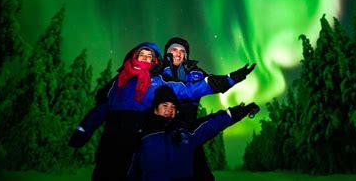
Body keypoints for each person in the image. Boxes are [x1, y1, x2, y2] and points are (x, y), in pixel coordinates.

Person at [69, 41, 256, 181]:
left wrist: (230, 79)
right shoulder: (118, 82)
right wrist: (83, 130)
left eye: (150, 56)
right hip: (111, 139)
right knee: (103, 173)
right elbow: (102, 109)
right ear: (134, 56)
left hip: (138, 137)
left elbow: (191, 89)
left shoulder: (157, 81)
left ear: (155, 61)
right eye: (142, 54)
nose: (145, 57)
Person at [128, 85, 260, 181]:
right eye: (165, 105)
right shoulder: (142, 132)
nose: (169, 109)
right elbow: (132, 168)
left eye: (173, 106)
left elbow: (214, 122)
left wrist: (242, 110)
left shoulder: (187, 130)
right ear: (155, 108)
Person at [162, 37, 227, 180]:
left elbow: (213, 82)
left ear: (186, 55)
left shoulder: (195, 71)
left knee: (199, 172)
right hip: (162, 130)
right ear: (167, 53)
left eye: (182, 51)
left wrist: (231, 79)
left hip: (189, 128)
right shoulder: (158, 71)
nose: (178, 54)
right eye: (174, 50)